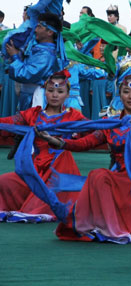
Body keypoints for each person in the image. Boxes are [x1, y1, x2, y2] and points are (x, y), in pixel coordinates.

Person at [42, 75, 131, 243]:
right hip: (119, 175)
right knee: (98, 175)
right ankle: (110, 228)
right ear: (120, 95)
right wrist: (59, 142)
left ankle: (127, 225)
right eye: (126, 92)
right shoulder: (110, 124)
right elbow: (86, 143)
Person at [0, 71, 84, 222]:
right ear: (45, 92)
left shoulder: (73, 116)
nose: (55, 95)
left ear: (67, 94)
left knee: (62, 158)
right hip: (36, 167)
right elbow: (7, 123)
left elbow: (95, 130)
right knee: (4, 181)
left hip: (59, 168)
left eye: (60, 92)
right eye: (50, 90)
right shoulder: (33, 114)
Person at [5, 13, 63, 111]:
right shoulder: (38, 50)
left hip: (35, 100)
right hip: (29, 97)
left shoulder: (46, 55)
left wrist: (14, 56)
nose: (35, 30)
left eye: (39, 27)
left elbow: (26, 74)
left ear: (50, 32)